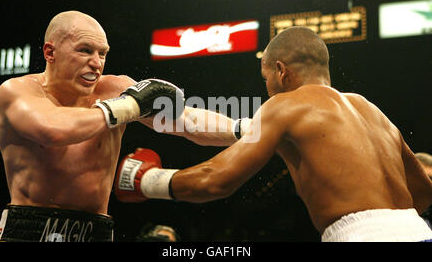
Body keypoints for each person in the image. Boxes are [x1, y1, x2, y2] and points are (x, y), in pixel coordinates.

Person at [116, 27, 432, 242]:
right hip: (419, 231)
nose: (266, 89)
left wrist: (147, 180)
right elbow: (423, 193)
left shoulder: (284, 105)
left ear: (281, 71)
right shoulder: (370, 109)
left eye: (266, 78)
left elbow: (216, 180)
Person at [0, 11, 243, 242]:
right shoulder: (17, 91)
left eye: (102, 53)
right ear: (50, 53)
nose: (96, 62)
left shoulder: (115, 89)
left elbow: (187, 121)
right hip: (28, 229)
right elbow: (53, 129)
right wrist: (129, 106)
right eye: (85, 50)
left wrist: (249, 130)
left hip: (97, 230)